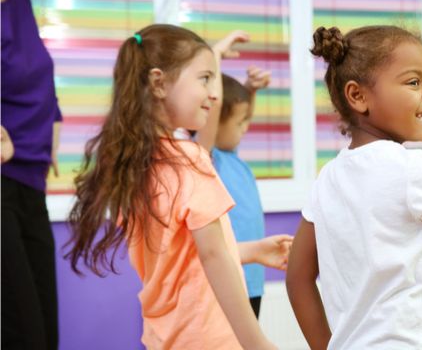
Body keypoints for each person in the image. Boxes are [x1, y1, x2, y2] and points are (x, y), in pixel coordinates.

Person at [286, 25, 422, 349]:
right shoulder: (415, 170)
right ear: (358, 96)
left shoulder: (328, 179)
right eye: (413, 82)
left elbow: (298, 279)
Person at [65, 24, 277, 349]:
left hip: (166, 338)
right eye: (204, 78)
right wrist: (259, 344)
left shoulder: (136, 167)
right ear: (158, 83)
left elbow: (182, 259)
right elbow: (212, 255)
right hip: (209, 339)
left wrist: (251, 251)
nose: (213, 93)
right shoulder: (188, 160)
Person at [194, 30, 293, 317]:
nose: (246, 128)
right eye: (240, 123)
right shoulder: (208, 160)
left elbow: (233, 116)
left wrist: (250, 91)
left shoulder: (233, 158)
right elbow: (214, 114)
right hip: (227, 281)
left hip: (251, 280)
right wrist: (214, 57)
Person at [2, 0, 61, 347]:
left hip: (31, 177)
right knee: (24, 331)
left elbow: (38, 71)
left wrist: (52, 119)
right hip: (2, 181)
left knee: (44, 325)